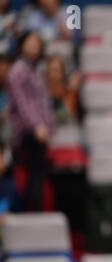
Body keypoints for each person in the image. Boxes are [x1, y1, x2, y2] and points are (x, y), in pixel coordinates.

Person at [7, 31, 53, 211]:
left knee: (39, 177)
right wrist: (36, 127)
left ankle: (37, 214)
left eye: (37, 43)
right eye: (30, 42)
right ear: (22, 45)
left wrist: (48, 126)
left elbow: (42, 102)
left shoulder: (35, 69)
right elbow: (22, 103)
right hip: (27, 133)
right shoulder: (17, 70)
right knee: (30, 177)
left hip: (40, 132)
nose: (35, 46)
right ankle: (29, 214)